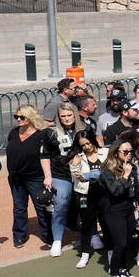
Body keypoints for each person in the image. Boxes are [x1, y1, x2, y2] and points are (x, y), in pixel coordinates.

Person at [6, 105, 54, 249]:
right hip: (16, 178)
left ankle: (47, 235)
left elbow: (46, 156)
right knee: (19, 208)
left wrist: (47, 176)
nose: (18, 119)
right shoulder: (13, 133)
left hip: (35, 178)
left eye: (22, 117)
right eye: (16, 117)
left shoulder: (41, 135)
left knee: (41, 207)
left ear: (31, 118)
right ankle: (19, 236)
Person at [97, 140, 139, 277]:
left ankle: (123, 269)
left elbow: (133, 189)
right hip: (114, 210)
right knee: (120, 244)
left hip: (128, 209)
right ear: (116, 153)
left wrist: (136, 203)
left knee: (128, 242)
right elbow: (115, 192)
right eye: (125, 152)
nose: (129, 154)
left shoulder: (131, 167)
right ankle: (114, 276)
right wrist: (125, 176)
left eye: (131, 151)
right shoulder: (107, 171)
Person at [47, 102, 84, 257]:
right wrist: (48, 176)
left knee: (87, 204)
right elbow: (44, 156)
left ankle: (93, 235)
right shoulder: (50, 133)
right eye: (63, 116)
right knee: (61, 203)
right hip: (60, 174)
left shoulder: (85, 129)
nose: (67, 119)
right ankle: (57, 241)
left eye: (69, 115)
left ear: (75, 115)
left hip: (81, 173)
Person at [69, 133, 105, 268]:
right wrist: (74, 166)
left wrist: (89, 175)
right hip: (85, 194)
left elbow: (109, 172)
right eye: (83, 145)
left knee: (106, 223)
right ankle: (84, 255)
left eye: (88, 143)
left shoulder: (105, 153)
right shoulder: (79, 157)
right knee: (86, 225)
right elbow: (75, 178)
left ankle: (110, 252)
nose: (87, 147)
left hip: (104, 194)